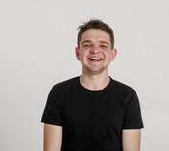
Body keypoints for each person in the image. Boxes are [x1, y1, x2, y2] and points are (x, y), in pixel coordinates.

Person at [41, 19, 144, 151]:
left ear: (113, 54)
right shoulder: (59, 93)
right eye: (87, 45)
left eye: (103, 45)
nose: (95, 50)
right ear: (78, 53)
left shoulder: (127, 97)